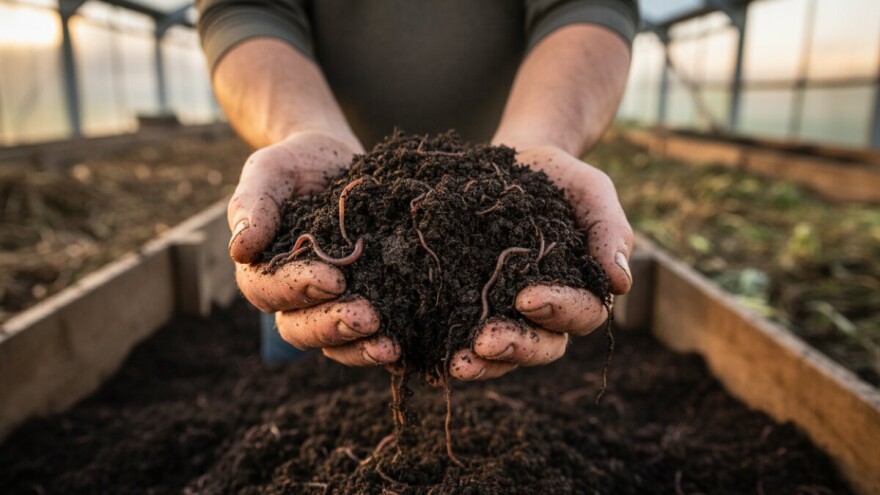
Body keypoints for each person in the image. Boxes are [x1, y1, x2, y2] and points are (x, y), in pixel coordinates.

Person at [196, 0, 638, 380]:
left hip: (513, 178)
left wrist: (544, 140)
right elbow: (246, 7)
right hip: (326, 189)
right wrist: (301, 128)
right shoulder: (341, 207)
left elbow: (588, 4)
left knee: (507, 374)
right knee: (302, 361)